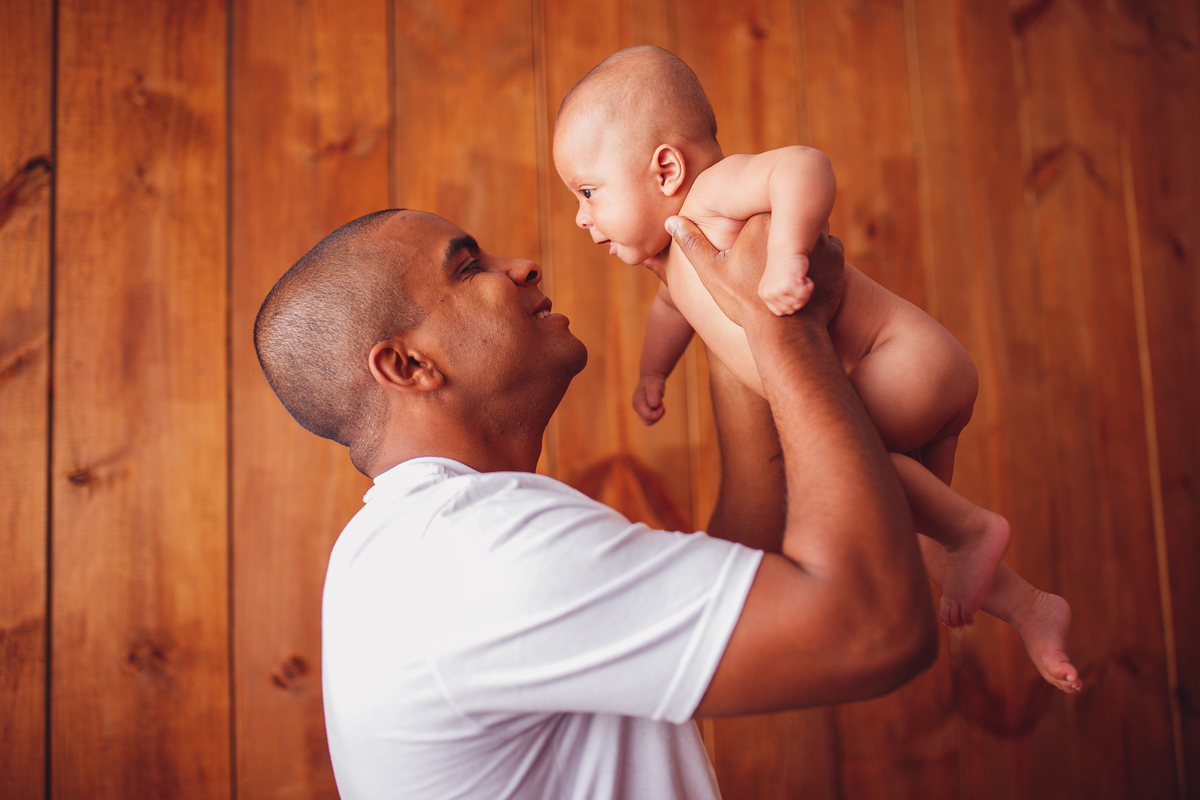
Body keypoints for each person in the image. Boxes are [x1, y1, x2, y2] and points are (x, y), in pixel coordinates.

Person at [254, 207, 937, 799]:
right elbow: (873, 627)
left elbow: (746, 583)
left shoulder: (417, 546)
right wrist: (790, 329)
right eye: (467, 269)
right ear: (407, 366)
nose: (523, 265)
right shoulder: (472, 550)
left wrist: (731, 322)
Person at [552, 45, 1080, 692]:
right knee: (892, 517)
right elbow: (671, 315)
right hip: (904, 387)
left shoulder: (713, 199)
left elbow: (804, 167)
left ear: (665, 168)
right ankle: (1029, 606)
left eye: (588, 191)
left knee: (843, 465)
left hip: (903, 362)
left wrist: (787, 255)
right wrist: (652, 374)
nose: (580, 216)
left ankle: (974, 531)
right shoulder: (675, 260)